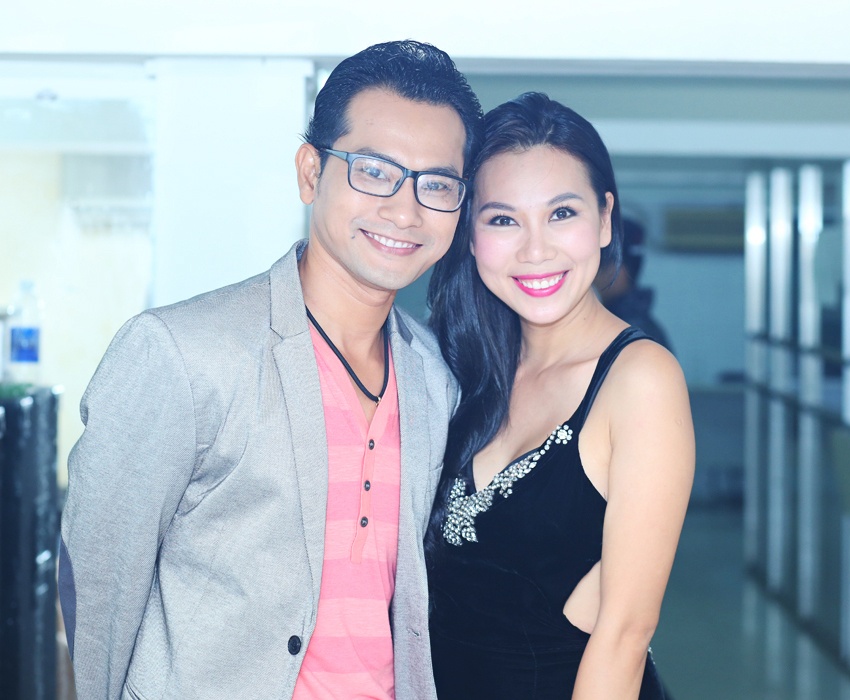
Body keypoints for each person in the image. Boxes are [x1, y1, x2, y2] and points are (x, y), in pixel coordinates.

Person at [59, 40, 482, 700]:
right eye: (374, 171)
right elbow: (97, 579)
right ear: (311, 173)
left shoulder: (435, 378)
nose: (405, 210)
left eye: (436, 185)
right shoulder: (183, 352)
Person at [426, 93, 695, 699]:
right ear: (469, 234)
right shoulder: (459, 367)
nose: (535, 250)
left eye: (561, 213)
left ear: (605, 220)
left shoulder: (639, 380)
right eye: (503, 220)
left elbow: (624, 636)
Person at [595, 217, 673, 351]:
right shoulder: (641, 326)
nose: (594, 276)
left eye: (600, 265)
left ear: (620, 269)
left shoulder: (626, 333)